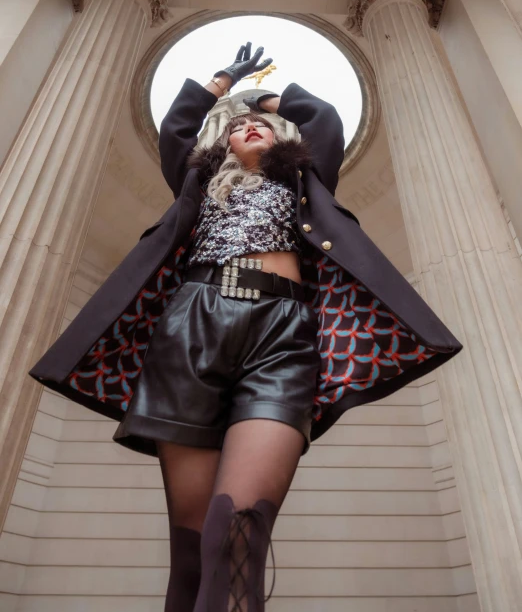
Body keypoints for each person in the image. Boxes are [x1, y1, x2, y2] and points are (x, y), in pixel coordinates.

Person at [29, 42, 463, 611]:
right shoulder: (197, 182)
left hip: (283, 335)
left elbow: (323, 119)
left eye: (264, 124)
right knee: (189, 552)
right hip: (191, 328)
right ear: (223, 142)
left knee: (239, 530)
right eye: (241, 125)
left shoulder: (306, 178)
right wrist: (221, 82)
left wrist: (264, 95)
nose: (252, 126)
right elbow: (178, 128)